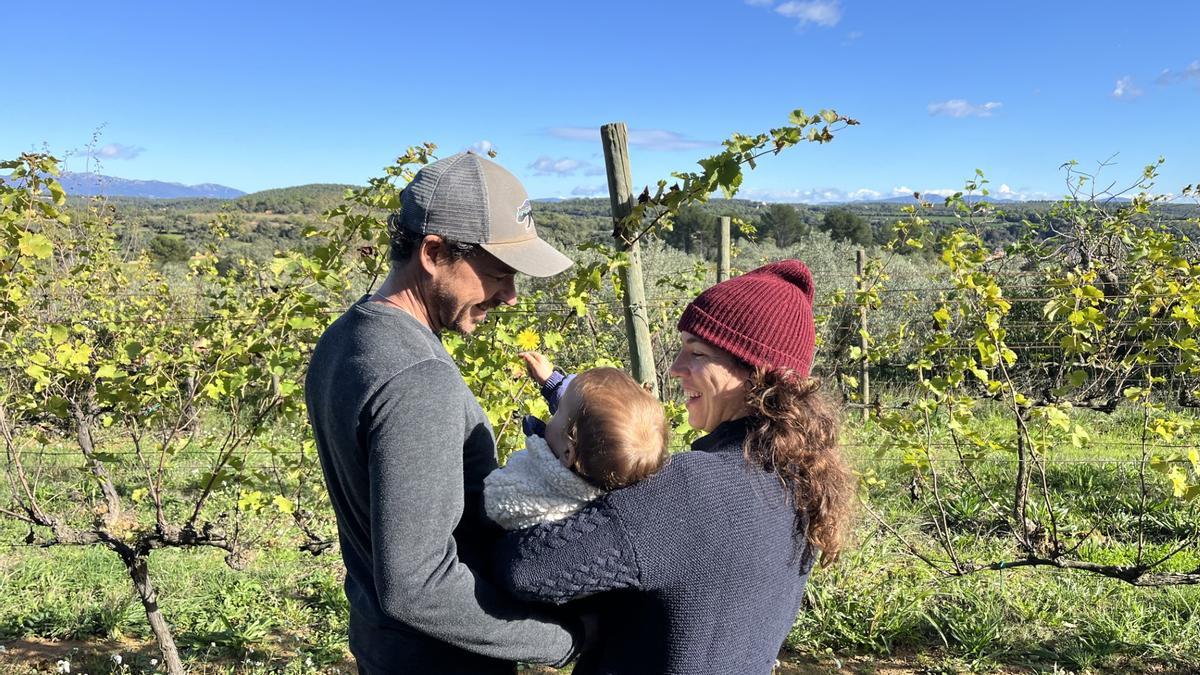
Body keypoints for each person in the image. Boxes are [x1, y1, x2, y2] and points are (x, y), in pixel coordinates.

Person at [494, 259, 856, 675]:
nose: (675, 367)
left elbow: (527, 569)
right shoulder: (800, 484)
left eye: (697, 353)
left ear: (757, 375)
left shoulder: (691, 488)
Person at [305, 152, 582, 674]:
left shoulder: (346, 337)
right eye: (499, 274)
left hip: (384, 642)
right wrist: (563, 640)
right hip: (440, 658)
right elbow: (419, 586)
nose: (512, 296)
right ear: (433, 252)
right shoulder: (417, 376)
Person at [483, 355, 668, 530]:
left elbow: (490, 499)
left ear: (568, 453)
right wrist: (552, 382)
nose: (553, 413)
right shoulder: (618, 478)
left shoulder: (524, 493)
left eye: (558, 411)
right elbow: (586, 417)